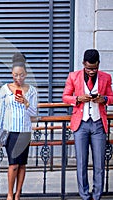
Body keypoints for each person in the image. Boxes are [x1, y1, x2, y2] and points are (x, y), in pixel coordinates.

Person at [62, 49, 113, 200]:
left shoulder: (106, 77)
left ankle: (97, 195)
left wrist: (104, 99)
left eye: (95, 68)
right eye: (89, 68)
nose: (91, 71)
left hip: (98, 124)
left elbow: (111, 97)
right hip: (81, 124)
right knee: (81, 162)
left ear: (98, 64)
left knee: (99, 163)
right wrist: (78, 99)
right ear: (83, 63)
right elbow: (65, 96)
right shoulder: (73, 76)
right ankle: (85, 195)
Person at [0, 53, 38, 200]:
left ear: (26, 74)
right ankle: (10, 194)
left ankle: (18, 193)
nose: (18, 78)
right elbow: (0, 111)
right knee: (13, 165)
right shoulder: (5, 89)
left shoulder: (31, 90)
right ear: (12, 74)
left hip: (25, 131)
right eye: (16, 75)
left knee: (22, 164)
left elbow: (34, 113)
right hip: (10, 131)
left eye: (22, 75)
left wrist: (25, 102)